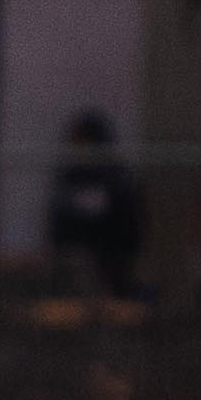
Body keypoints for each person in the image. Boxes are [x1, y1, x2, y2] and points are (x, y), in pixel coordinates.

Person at [43, 106, 146, 297]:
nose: (80, 150)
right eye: (77, 144)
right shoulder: (70, 178)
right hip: (75, 261)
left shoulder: (116, 178)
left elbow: (128, 227)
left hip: (113, 259)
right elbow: (60, 223)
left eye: (85, 143)